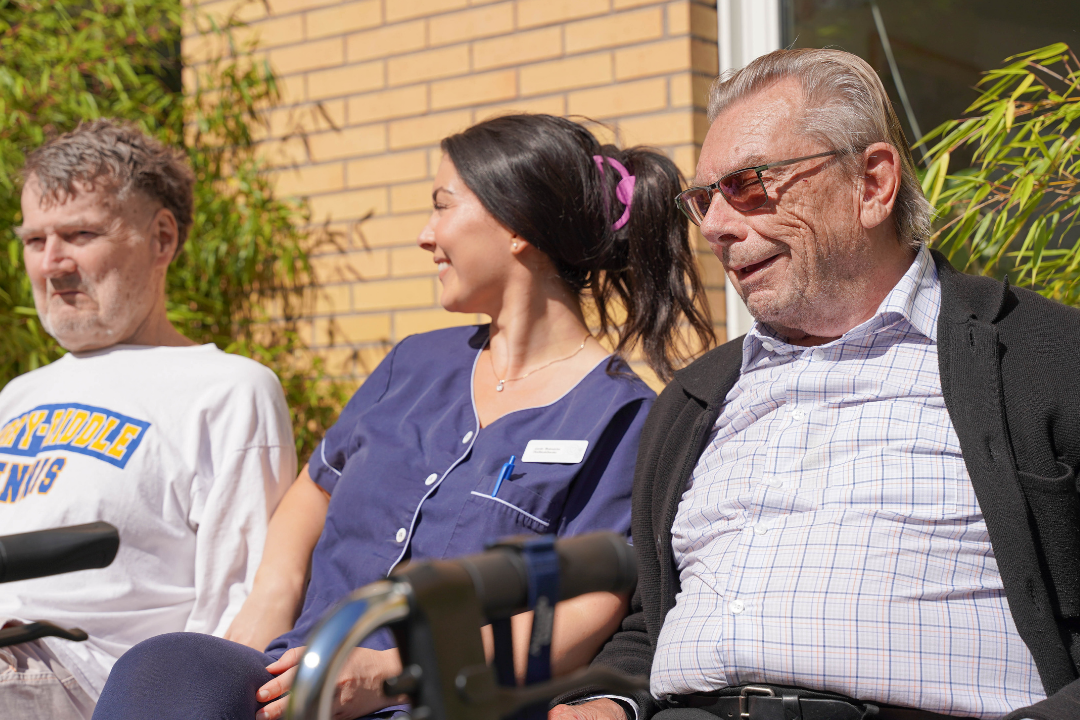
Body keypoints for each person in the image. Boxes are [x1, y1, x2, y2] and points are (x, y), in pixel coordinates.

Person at [91, 113, 715, 720]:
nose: (425, 234)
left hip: (446, 702)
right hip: (298, 678)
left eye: (443, 205)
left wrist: (392, 674)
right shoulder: (413, 363)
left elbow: (586, 607)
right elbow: (314, 490)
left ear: (517, 224)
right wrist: (261, 626)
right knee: (166, 669)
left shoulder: (620, 416)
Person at [551, 48, 1080, 720]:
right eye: (704, 200)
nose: (714, 227)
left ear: (872, 184)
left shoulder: (1042, 358)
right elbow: (654, 619)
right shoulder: (696, 397)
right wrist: (606, 700)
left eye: (749, 184)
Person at [0, 120, 296, 719]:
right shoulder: (17, 395)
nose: (51, 264)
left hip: (96, 681)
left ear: (161, 238)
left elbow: (237, 610)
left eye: (80, 234)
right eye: (34, 240)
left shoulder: (228, 389)